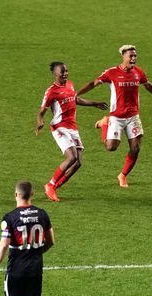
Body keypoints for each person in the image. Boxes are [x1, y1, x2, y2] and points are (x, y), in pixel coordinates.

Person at [78, 45, 152, 187]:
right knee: (111, 147)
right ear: (123, 57)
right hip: (116, 116)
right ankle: (105, 122)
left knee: (136, 148)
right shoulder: (112, 72)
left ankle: (123, 175)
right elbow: (94, 83)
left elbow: (148, 85)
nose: (134, 58)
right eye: (131, 56)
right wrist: (77, 94)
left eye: (135, 56)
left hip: (133, 116)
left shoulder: (138, 72)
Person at [35, 62, 108, 202]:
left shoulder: (70, 84)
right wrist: (40, 121)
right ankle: (50, 185)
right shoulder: (51, 91)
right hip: (59, 127)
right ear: (55, 74)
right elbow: (42, 111)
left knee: (78, 162)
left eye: (66, 71)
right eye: (62, 72)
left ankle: (55, 186)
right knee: (71, 157)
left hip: (72, 127)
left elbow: (74, 100)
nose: (65, 74)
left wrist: (94, 103)